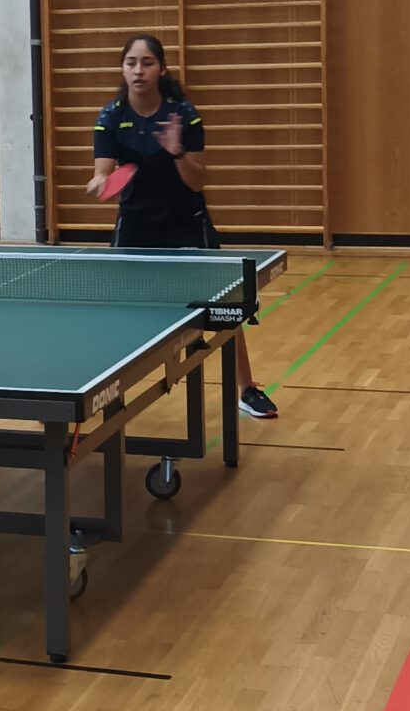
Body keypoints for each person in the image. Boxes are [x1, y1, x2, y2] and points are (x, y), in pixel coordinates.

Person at [87, 32, 277, 420]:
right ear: (122, 68)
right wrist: (100, 183)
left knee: (225, 307)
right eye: (131, 63)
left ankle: (246, 389)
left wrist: (176, 153)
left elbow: (197, 181)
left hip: (186, 223)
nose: (138, 70)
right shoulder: (111, 117)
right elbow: (103, 174)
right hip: (136, 226)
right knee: (115, 311)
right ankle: (97, 390)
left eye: (147, 63)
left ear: (161, 69)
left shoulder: (183, 114)